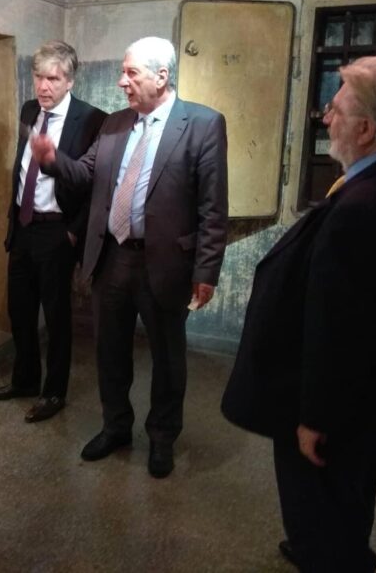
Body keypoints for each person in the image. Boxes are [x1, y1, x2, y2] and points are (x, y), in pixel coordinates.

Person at [222, 56, 376, 572]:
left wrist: (316, 418)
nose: (326, 117)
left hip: (338, 412)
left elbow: (342, 330)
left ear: (366, 130)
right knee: (351, 498)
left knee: (320, 511)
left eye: (336, 109)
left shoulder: (363, 207)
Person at [32, 36, 228, 477]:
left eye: (131, 73)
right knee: (110, 352)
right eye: (122, 72)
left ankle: (162, 437)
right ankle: (116, 426)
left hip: (167, 263)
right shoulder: (116, 123)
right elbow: (84, 173)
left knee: (167, 358)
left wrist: (207, 271)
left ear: (161, 76)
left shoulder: (203, 124)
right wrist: (53, 160)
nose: (122, 81)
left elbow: (213, 208)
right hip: (112, 257)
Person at [0, 40, 106, 423]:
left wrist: (74, 231)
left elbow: (96, 185)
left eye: (53, 78)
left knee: (56, 318)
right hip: (23, 227)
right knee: (20, 311)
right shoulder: (29, 109)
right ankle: (25, 380)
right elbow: (23, 169)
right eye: (38, 76)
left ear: (70, 81)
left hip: (57, 232)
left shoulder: (92, 120)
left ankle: (54, 392)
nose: (43, 86)